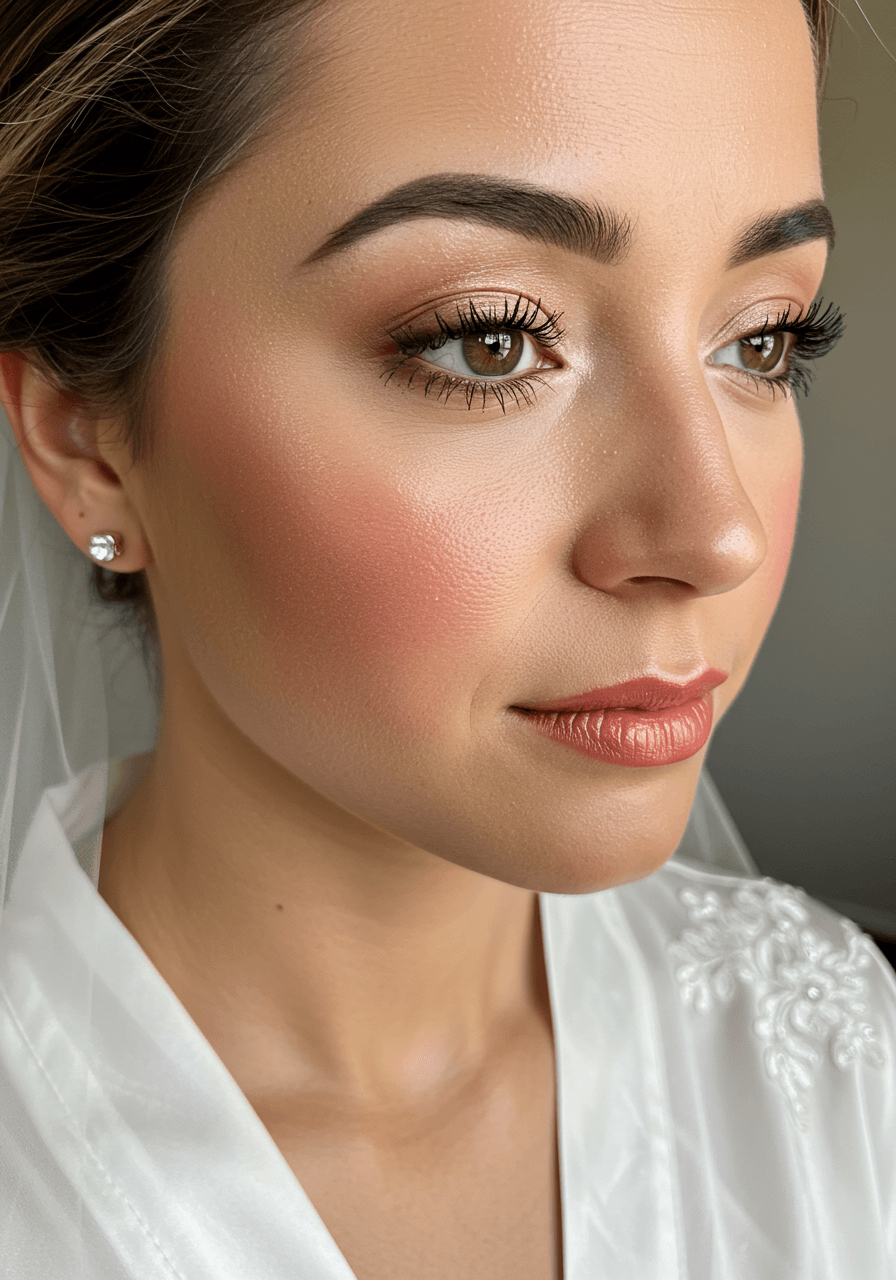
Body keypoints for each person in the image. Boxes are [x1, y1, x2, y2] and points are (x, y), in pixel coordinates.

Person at [0, 0, 893, 1275]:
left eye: (759, 340)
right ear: (87, 440)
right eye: (489, 340)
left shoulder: (846, 1073)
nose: (713, 533)